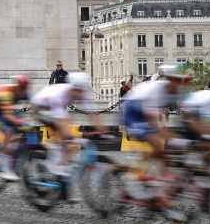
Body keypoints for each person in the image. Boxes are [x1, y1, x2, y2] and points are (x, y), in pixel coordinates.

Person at [120, 63, 192, 210]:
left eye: (179, 81)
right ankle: (131, 180)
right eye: (173, 80)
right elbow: (151, 123)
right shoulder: (155, 90)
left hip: (145, 111)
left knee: (164, 154)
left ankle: (163, 190)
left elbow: (187, 117)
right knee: (156, 143)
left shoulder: (178, 91)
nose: (176, 84)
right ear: (167, 79)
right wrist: (176, 139)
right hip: (132, 111)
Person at [30, 72, 106, 188]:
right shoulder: (61, 94)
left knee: (68, 138)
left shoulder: (80, 92)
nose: (82, 93)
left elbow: (93, 114)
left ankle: (63, 173)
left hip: (54, 108)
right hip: (41, 108)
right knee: (65, 135)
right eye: (80, 91)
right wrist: (73, 137)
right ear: (74, 88)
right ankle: (49, 163)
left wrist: (105, 132)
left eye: (84, 90)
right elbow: (61, 122)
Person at [0, 74, 31, 181]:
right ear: (16, 86)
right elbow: (7, 115)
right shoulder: (7, 93)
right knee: (9, 131)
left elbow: (35, 106)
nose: (22, 91)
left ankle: (13, 153)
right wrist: (19, 122)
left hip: (8, 109)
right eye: (20, 88)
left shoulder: (25, 93)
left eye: (24, 88)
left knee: (24, 130)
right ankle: (6, 170)